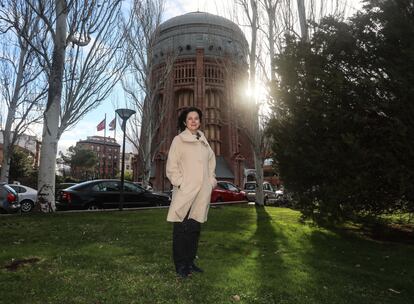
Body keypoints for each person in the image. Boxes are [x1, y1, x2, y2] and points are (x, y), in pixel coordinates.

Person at [166, 107, 217, 278]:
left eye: (196, 118)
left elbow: (211, 163)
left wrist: (211, 181)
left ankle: (190, 262)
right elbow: (171, 167)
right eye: (190, 118)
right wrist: (181, 184)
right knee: (181, 230)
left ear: (200, 121)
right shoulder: (178, 140)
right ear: (184, 122)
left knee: (194, 229)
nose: (193, 121)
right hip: (185, 192)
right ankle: (180, 265)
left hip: (202, 193)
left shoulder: (203, 140)